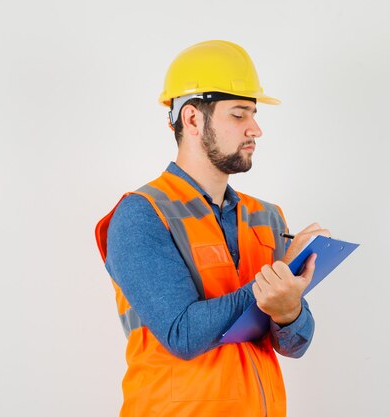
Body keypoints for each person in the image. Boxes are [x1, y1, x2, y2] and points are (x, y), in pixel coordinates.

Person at [94, 40, 330, 417]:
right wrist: (271, 284)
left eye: (253, 113)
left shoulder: (266, 217)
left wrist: (288, 311)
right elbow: (182, 335)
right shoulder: (142, 215)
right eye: (239, 114)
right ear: (191, 119)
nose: (255, 129)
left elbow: (295, 344)